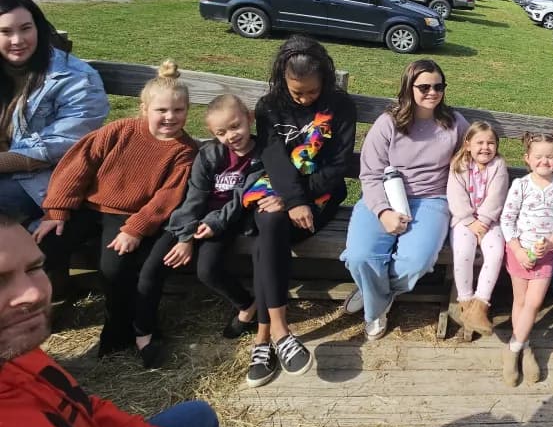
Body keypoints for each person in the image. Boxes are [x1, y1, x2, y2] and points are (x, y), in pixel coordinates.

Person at [0, 213, 233, 427]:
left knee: (196, 419)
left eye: (34, 268)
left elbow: (81, 412)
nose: (32, 294)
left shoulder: (14, 353)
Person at [33, 61, 197, 365]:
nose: (170, 117)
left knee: (114, 268)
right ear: (144, 108)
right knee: (44, 248)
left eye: (179, 111)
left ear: (187, 111)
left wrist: (136, 228)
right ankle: (35, 315)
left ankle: (118, 330)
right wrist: (57, 210)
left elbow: (168, 197)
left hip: (126, 216)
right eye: (161, 110)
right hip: (89, 205)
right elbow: (79, 165)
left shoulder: (184, 151)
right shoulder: (120, 131)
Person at [246, 36, 355, 386]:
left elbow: (337, 166)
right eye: (298, 94)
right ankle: (279, 332)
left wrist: (300, 200)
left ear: (324, 78)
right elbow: (273, 158)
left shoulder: (340, 107)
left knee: (268, 238)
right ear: (283, 80)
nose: (305, 99)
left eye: (311, 92)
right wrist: (291, 200)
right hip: (277, 188)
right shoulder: (269, 106)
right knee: (271, 225)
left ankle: (263, 337)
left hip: (321, 194)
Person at [342, 59, 468, 341]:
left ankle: (372, 298)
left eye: (439, 86)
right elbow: (370, 173)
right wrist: (383, 211)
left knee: (416, 261)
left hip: (432, 200)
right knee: (359, 257)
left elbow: (474, 156)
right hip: (384, 194)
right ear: (409, 87)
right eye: (424, 87)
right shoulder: (388, 123)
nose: (432, 92)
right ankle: (376, 301)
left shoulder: (454, 123)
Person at [132, 95, 262, 367]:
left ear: (249, 118)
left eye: (236, 126)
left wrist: (214, 225)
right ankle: (143, 333)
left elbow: (242, 198)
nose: (231, 136)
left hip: (227, 221)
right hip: (189, 220)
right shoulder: (210, 154)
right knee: (152, 268)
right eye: (221, 132)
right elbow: (194, 197)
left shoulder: (259, 156)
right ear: (213, 135)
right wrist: (185, 236)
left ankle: (247, 305)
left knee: (207, 270)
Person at [0, 0, 108, 223]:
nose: (17, 40)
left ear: (38, 27)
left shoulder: (77, 78)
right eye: (5, 32)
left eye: (25, 29)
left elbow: (60, 146)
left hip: (40, 182)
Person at [499, 132, 553, 386]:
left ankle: (513, 348)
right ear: (527, 159)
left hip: (545, 254)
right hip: (519, 251)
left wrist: (552, 241)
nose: (545, 161)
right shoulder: (520, 185)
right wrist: (518, 249)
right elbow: (506, 219)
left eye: (550, 156)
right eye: (539, 157)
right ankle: (526, 345)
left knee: (534, 302)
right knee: (520, 301)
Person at [446, 120, 509, 336]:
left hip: (491, 221)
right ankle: (465, 301)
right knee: (463, 251)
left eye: (491, 143)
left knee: (496, 253)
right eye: (479, 142)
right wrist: (470, 221)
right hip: (463, 221)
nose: (485, 147)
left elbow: (497, 196)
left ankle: (480, 305)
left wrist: (482, 223)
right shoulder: (458, 165)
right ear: (467, 145)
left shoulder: (498, 166)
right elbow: (455, 197)